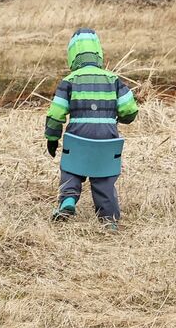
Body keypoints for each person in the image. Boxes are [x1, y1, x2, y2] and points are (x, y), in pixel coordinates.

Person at [43, 28, 139, 229]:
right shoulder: (113, 80)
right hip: (107, 138)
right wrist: (119, 117)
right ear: (98, 54)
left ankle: (68, 200)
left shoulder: (69, 81)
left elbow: (55, 113)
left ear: (72, 56)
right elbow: (129, 110)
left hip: (78, 137)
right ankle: (109, 221)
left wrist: (52, 138)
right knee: (103, 178)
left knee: (71, 168)